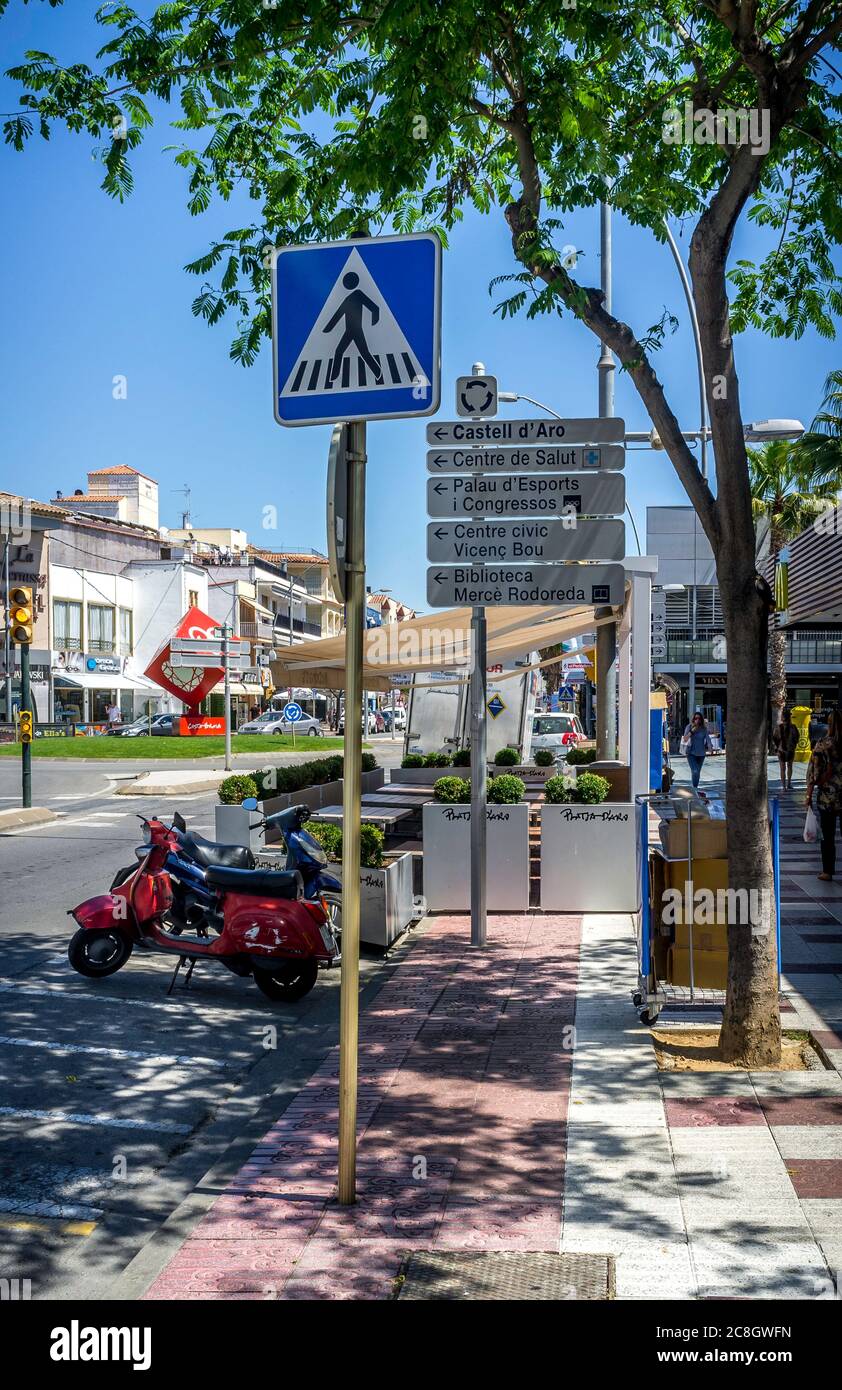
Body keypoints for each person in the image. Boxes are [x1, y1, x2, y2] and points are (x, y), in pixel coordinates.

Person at [806, 709, 842, 881]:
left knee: (827, 835)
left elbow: (814, 773)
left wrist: (808, 795)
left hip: (827, 798)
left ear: (829, 724)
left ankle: (827, 871)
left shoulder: (823, 744)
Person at [682, 711, 713, 789]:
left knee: (697, 772)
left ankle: (695, 787)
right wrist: (692, 731)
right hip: (691, 753)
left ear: (701, 720)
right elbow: (685, 739)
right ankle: (695, 788)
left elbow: (708, 739)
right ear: (693, 719)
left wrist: (710, 747)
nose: (697, 720)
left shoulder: (704, 729)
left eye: (699, 718)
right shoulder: (689, 727)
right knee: (695, 771)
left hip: (701, 754)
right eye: (696, 718)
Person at [772, 708, 799, 790]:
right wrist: (793, 745)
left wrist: (776, 748)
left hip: (781, 750)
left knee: (782, 768)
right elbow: (797, 737)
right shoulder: (793, 727)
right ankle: (789, 784)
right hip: (790, 749)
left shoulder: (778, 727)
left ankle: (784, 786)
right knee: (789, 766)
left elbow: (774, 738)